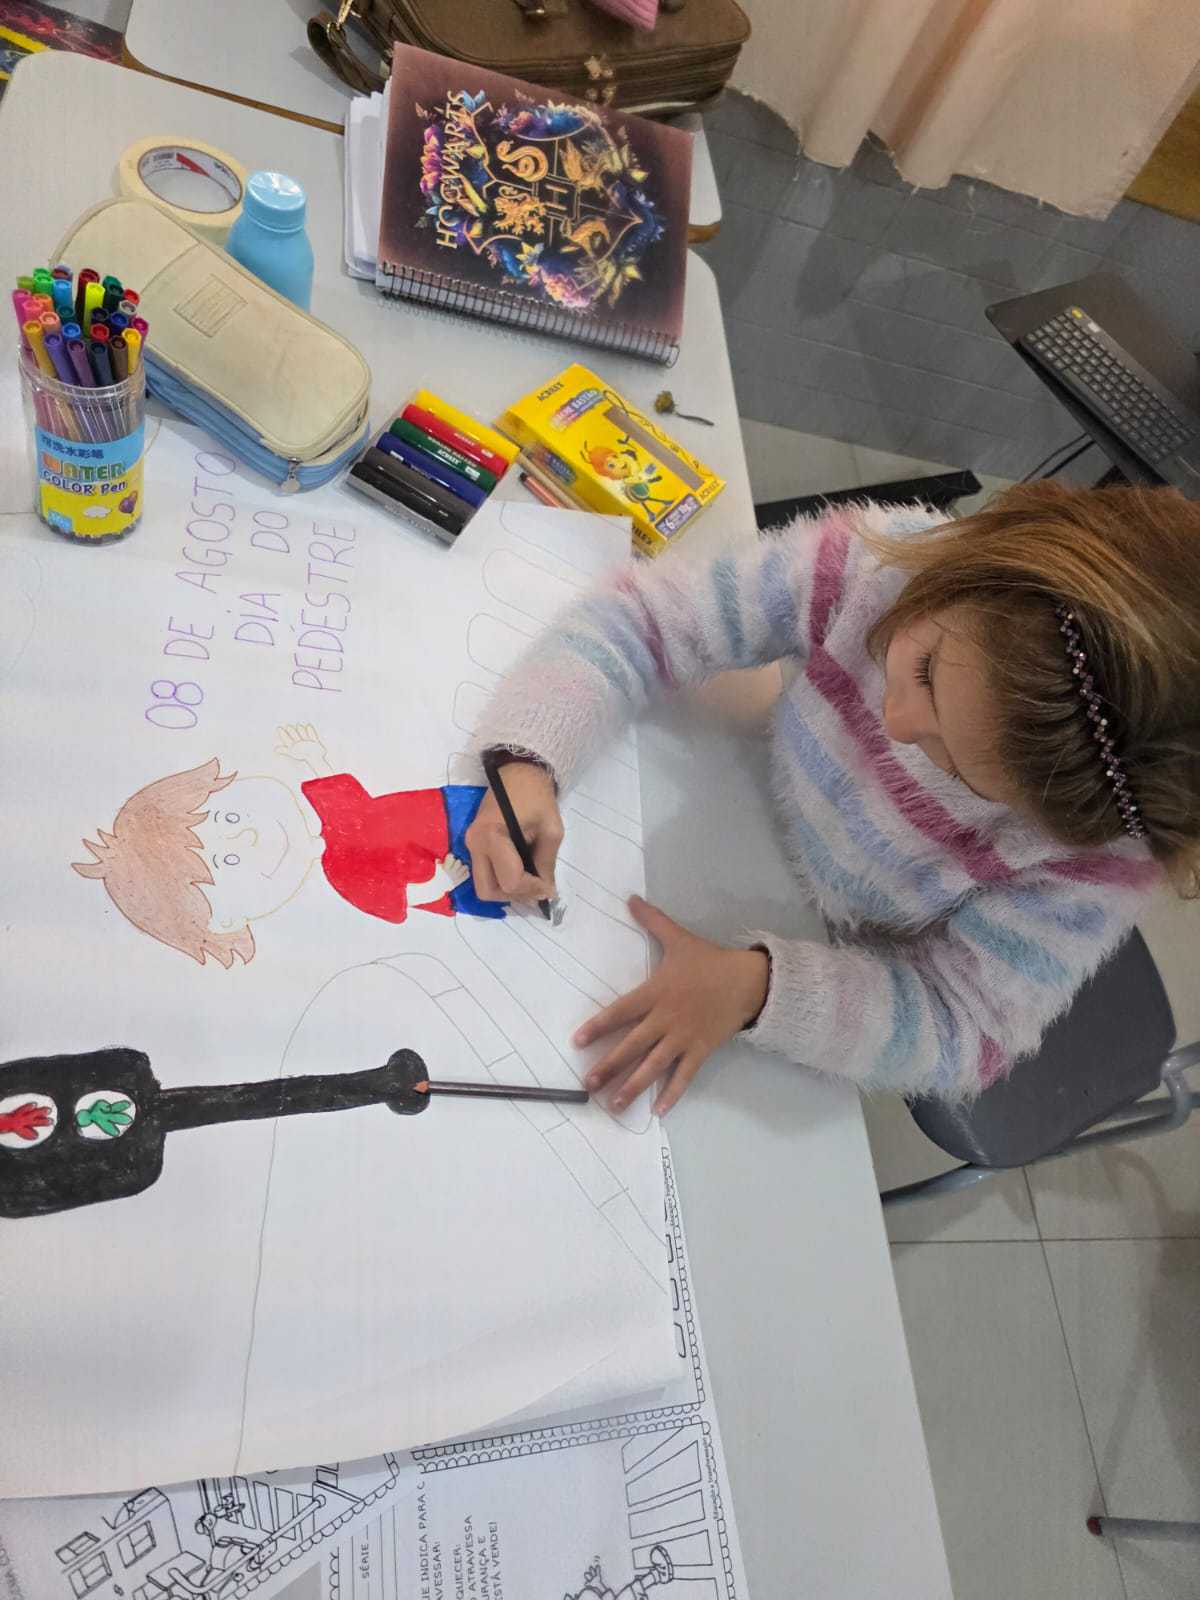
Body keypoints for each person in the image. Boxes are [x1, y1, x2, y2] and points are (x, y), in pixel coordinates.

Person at [465, 481, 1200, 1114]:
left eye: (958, 768)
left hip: (833, 944)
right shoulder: (877, 564)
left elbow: (967, 1028)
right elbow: (647, 618)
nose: (895, 723)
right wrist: (531, 756)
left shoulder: (1095, 856)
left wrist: (760, 990)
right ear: (971, 566)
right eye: (924, 668)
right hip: (732, 819)